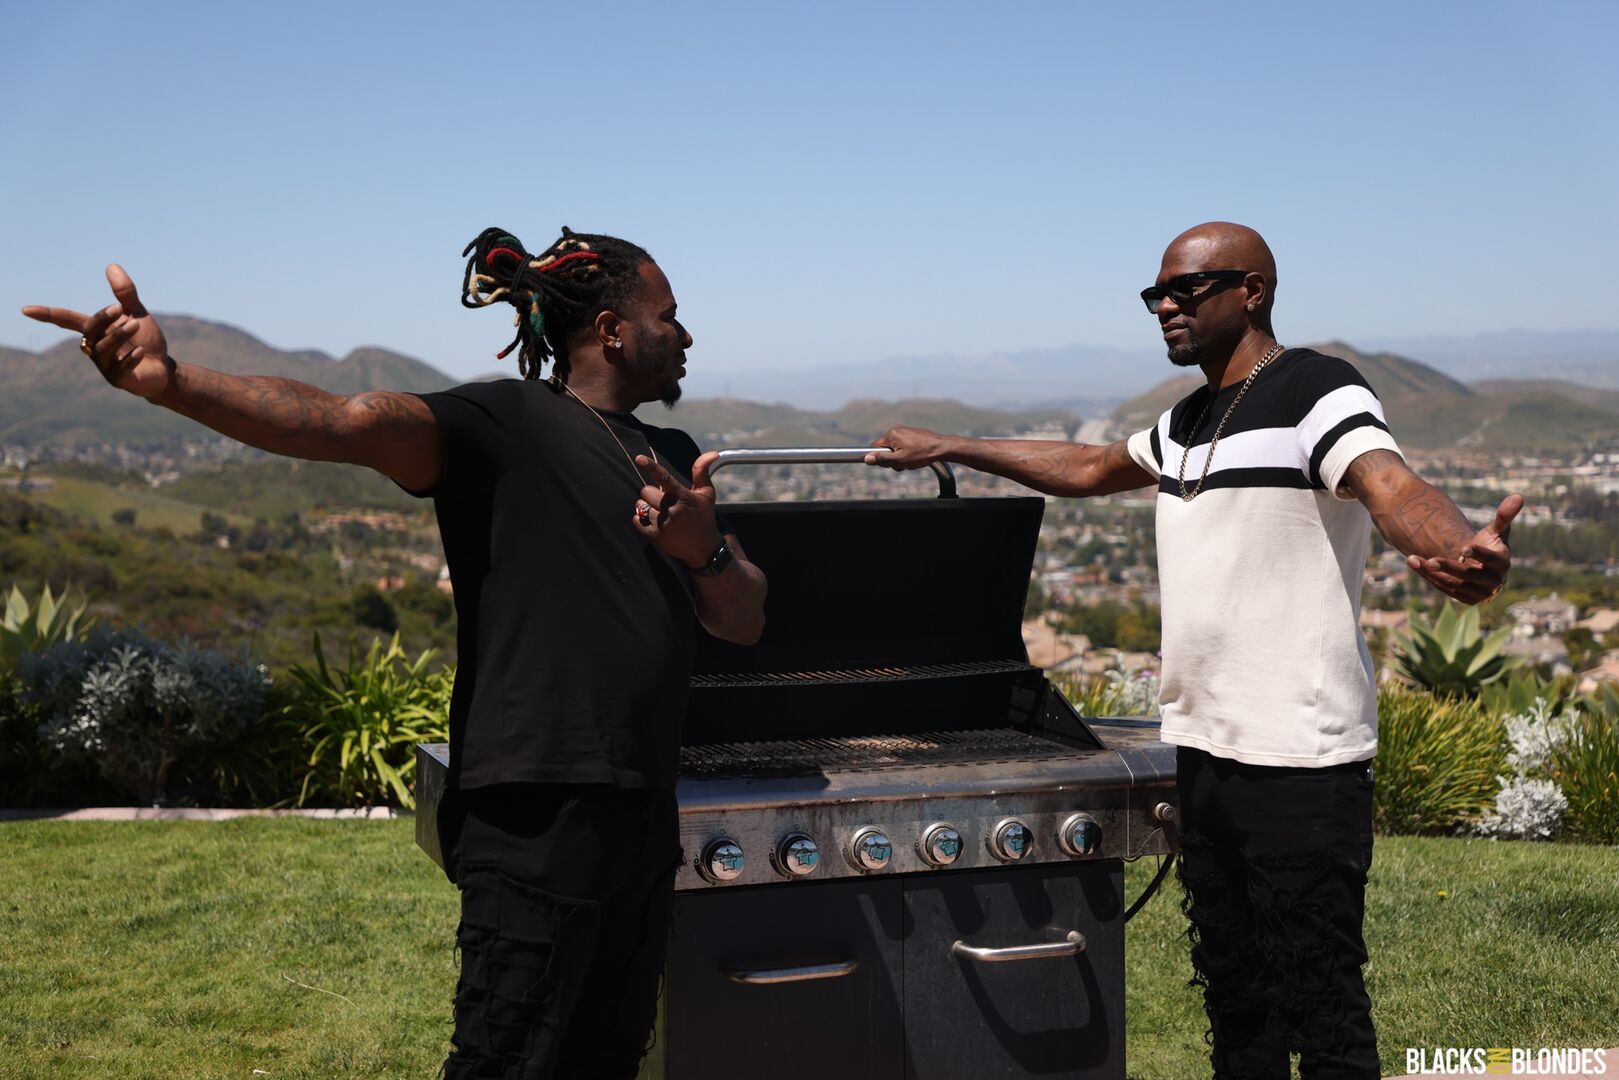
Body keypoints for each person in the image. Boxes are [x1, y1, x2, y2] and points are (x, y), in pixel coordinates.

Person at [24, 225, 768, 1079]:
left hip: (642, 812)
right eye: (668, 316)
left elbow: (742, 618)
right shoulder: (507, 423)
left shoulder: (674, 458)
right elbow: (348, 421)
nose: (685, 334)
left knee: (609, 1061)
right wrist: (174, 382)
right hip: (534, 814)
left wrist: (704, 552)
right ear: (610, 330)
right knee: (504, 1060)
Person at [866, 221, 1518, 1079]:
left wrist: (1454, 545)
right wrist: (952, 446)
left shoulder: (1316, 389)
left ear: (1252, 291)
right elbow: (1088, 467)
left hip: (1300, 761)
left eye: (1186, 289)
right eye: (1155, 295)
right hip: (1205, 753)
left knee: (1322, 1008)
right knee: (1235, 1002)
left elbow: (1391, 486)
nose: (1164, 307)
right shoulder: (1186, 420)